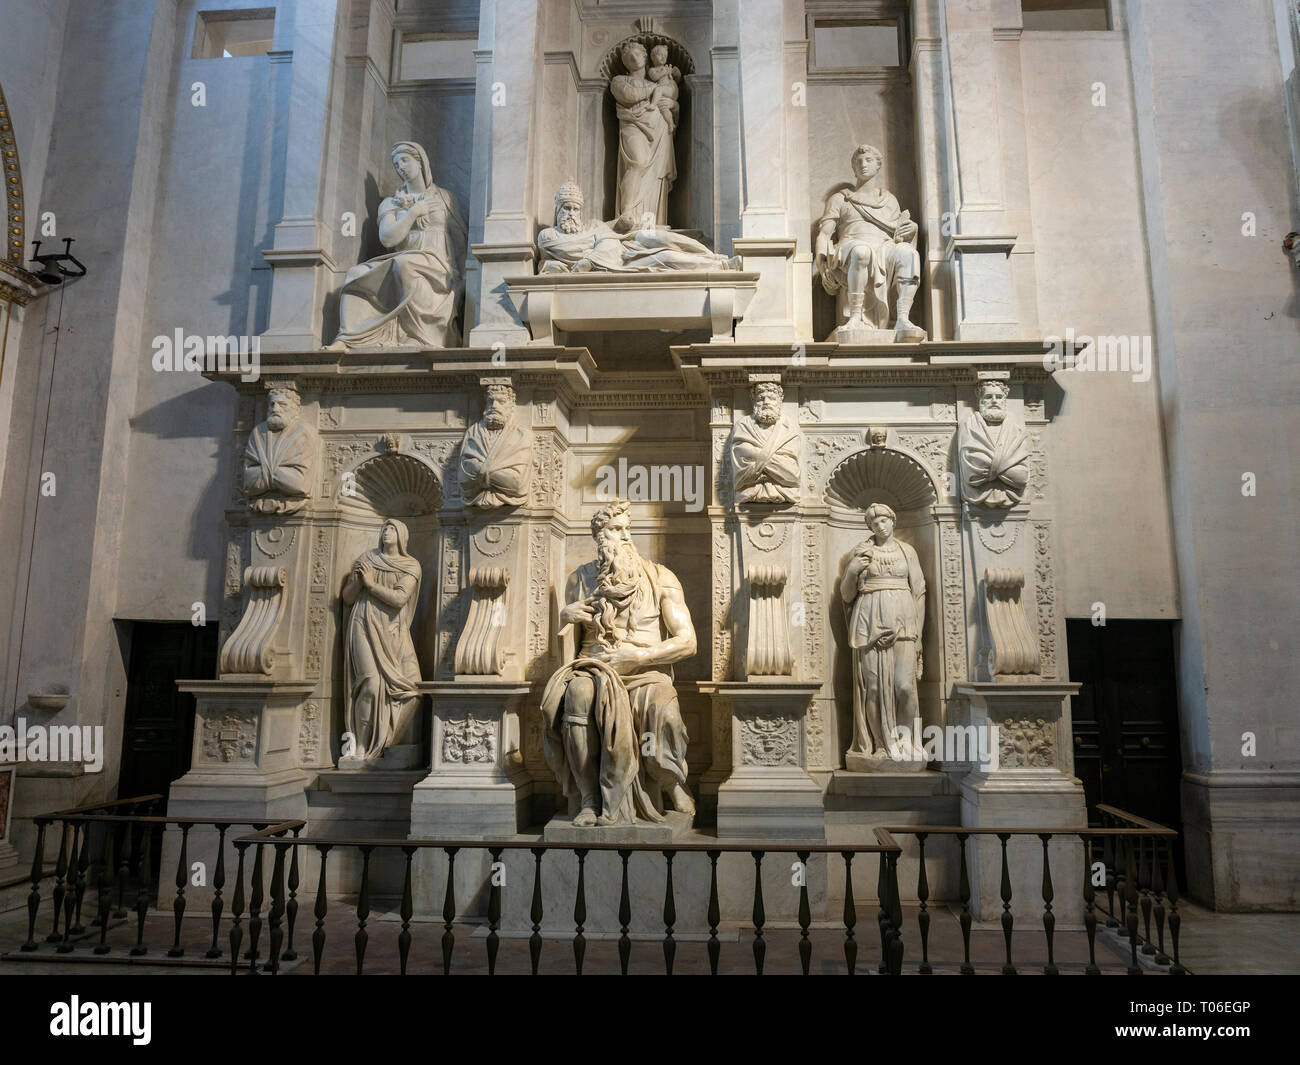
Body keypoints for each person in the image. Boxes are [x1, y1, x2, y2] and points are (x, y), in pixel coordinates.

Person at [539, 499, 697, 826]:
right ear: (599, 537)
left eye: (627, 529)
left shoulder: (660, 577)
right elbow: (567, 650)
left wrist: (638, 655)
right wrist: (566, 616)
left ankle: (670, 781)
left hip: (646, 671)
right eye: (615, 530)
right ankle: (589, 798)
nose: (624, 536)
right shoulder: (580, 580)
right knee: (576, 696)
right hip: (594, 669)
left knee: (663, 711)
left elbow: (688, 641)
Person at [328, 141, 466, 349]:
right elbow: (388, 239)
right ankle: (347, 339)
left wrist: (463, 279)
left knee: (405, 265)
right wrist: (413, 213)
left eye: (404, 160)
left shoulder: (445, 198)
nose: (400, 166)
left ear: (421, 162)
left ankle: (418, 336)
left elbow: (460, 238)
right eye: (395, 164)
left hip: (438, 262)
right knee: (354, 274)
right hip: (403, 258)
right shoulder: (390, 204)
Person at [839, 503, 926, 764]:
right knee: (873, 689)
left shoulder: (906, 551)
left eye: (884, 520)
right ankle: (879, 744)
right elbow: (846, 595)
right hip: (868, 624)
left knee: (905, 687)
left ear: (893, 521)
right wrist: (853, 569)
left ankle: (905, 742)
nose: (880, 525)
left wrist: (918, 634)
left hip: (904, 624)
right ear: (869, 527)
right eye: (874, 522)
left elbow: (919, 592)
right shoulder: (861, 552)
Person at [816, 144, 926, 341]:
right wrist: (820, 258)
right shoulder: (841, 199)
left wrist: (912, 230)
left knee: (908, 254)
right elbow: (825, 233)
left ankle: (902, 317)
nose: (863, 164)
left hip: (884, 247)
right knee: (861, 251)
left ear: (878, 166)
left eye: (868, 160)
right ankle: (855, 317)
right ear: (853, 168)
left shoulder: (889, 200)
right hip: (851, 244)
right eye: (858, 161)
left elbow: (898, 236)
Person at [341, 519, 422, 761]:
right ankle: (362, 746)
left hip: (393, 631)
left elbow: (398, 599)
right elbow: (347, 597)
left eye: (392, 529)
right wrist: (358, 583)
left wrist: (370, 584)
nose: (386, 532)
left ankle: (391, 744)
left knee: (412, 690)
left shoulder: (411, 565)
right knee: (371, 684)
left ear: (402, 536)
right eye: (384, 528)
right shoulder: (366, 559)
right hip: (363, 624)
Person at [537, 180, 736, 273]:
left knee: (658, 237)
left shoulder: (592, 225)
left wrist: (589, 259)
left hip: (624, 248)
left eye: (575, 209)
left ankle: (712, 255)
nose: (571, 214)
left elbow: (608, 238)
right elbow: (546, 263)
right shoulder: (549, 236)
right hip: (619, 263)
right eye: (566, 208)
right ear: (557, 210)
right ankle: (721, 266)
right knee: (666, 257)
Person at [611, 41, 677, 225]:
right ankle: (627, 212)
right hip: (633, 126)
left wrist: (673, 105)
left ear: (645, 56)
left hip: (659, 131)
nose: (633, 58)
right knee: (638, 162)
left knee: (656, 175)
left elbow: (673, 101)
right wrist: (654, 89)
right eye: (628, 56)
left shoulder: (658, 83)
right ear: (624, 62)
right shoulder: (619, 80)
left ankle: (654, 220)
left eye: (637, 54)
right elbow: (629, 95)